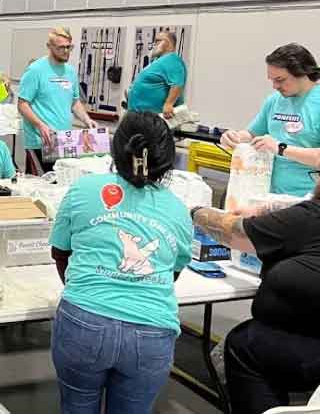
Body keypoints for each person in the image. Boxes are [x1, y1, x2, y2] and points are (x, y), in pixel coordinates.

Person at [190, 135, 320, 414]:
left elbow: (233, 232)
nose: (316, 183)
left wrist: (194, 210)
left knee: (245, 343)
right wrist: (273, 210)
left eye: (318, 175)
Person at [48, 112, 193, 414]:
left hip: (83, 322)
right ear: (167, 158)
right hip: (151, 332)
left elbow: (61, 252)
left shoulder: (83, 189)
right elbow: (173, 272)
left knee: (76, 406)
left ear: (116, 147)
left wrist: (87, 288)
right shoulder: (179, 211)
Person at [220, 43, 320, 196]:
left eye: (280, 80)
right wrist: (235, 137)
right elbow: (252, 133)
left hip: (308, 197)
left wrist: (281, 149)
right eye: (272, 80)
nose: (275, 86)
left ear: (302, 73)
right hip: (266, 193)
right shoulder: (275, 100)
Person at [18, 28, 97, 175]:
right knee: (42, 186)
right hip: (41, 142)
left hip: (63, 140)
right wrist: (40, 125)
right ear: (49, 47)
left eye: (69, 47)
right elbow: (22, 104)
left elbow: (74, 102)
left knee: (61, 185)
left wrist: (87, 120)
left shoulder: (70, 71)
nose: (66, 51)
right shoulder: (35, 70)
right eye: (61, 47)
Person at [127, 29, 186, 118]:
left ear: (168, 43)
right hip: (138, 115)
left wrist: (169, 104)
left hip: (153, 119)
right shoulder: (157, 61)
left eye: (158, 41)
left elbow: (177, 83)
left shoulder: (172, 59)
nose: (154, 44)